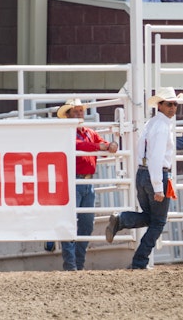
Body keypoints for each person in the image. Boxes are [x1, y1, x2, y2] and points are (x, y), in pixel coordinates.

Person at [105, 87, 182, 269]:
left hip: (143, 173)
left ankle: (122, 220)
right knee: (158, 222)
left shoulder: (152, 123)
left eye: (174, 104)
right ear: (160, 105)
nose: (173, 107)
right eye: (169, 104)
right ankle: (140, 260)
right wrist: (158, 187)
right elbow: (156, 157)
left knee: (150, 217)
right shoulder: (163, 127)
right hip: (156, 174)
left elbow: (143, 152)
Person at [56, 99, 118, 271]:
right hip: (73, 180)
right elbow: (86, 146)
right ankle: (71, 264)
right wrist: (102, 146)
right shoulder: (68, 133)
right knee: (72, 222)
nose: (79, 114)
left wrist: (109, 145)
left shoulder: (89, 133)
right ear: (68, 115)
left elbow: (102, 147)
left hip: (86, 181)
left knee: (86, 223)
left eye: (80, 111)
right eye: (75, 112)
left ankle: (77, 263)